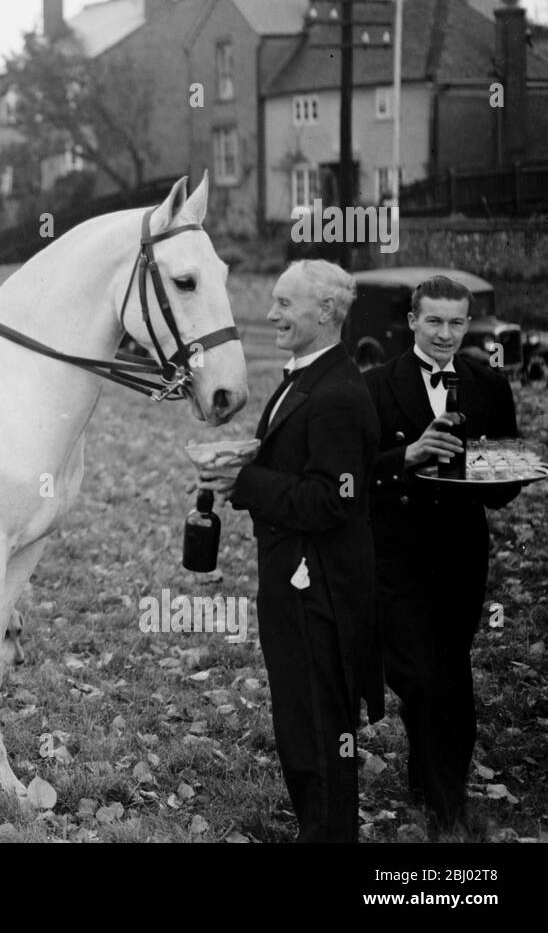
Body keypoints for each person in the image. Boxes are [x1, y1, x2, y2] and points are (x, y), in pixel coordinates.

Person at [198, 260, 382, 842]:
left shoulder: (338, 393)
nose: (271, 314)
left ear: (325, 312)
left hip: (320, 593)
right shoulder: (305, 375)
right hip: (292, 585)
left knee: (323, 731)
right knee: (299, 724)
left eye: (285, 304)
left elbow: (334, 500)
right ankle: (316, 826)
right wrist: (244, 463)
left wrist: (246, 485)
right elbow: (303, 467)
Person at [362, 275, 519, 841]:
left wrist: (495, 473)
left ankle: (436, 785)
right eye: (434, 321)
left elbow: (504, 483)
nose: (446, 334)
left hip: (459, 554)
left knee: (451, 673)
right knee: (419, 675)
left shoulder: (488, 385)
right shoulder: (376, 385)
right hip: (396, 556)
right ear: (411, 321)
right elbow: (356, 473)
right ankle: (447, 806)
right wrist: (410, 455)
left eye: (457, 322)